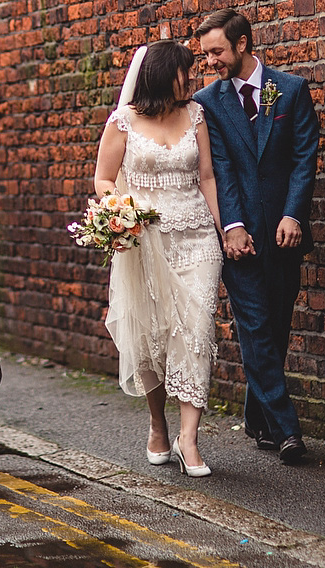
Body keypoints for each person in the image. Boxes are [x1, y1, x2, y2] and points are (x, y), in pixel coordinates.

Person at [192, 9, 319, 464]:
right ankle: (287, 429)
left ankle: (257, 418)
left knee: (277, 326)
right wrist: (232, 226)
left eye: (216, 51)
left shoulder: (290, 89)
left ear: (243, 44)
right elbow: (219, 169)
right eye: (206, 53)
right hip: (239, 239)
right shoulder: (207, 101)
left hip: (285, 233)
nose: (210, 61)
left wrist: (293, 215)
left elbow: (305, 158)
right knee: (256, 329)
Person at [94, 40, 224, 477]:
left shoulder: (196, 116)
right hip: (146, 241)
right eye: (185, 71)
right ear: (162, 73)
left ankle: (190, 439)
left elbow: (206, 176)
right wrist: (121, 211)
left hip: (197, 239)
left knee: (197, 327)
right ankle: (157, 424)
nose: (192, 77)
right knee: (152, 334)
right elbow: (104, 178)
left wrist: (225, 231)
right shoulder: (124, 121)